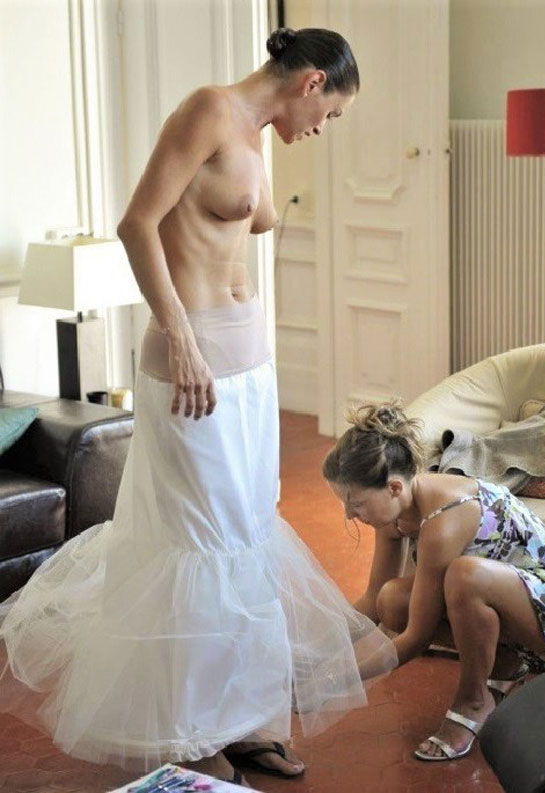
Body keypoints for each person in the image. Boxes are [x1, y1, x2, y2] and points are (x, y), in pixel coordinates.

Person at [0, 28, 397, 784]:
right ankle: (194, 731)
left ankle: (245, 720)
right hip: (194, 364)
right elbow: (136, 223)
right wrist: (179, 332)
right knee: (201, 546)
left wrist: (265, 155)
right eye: (331, 113)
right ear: (312, 81)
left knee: (246, 540)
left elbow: (253, 220)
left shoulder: (256, 133)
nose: (323, 130)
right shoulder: (206, 111)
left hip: (249, 367)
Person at [323, 400, 545, 762]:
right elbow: (373, 600)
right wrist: (314, 652)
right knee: (391, 600)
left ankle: (474, 700)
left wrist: (335, 682)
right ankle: (506, 662)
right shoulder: (395, 515)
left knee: (464, 575)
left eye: (355, 503)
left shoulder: (446, 517)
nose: (349, 514)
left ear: (393, 488)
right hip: (517, 605)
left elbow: (417, 637)